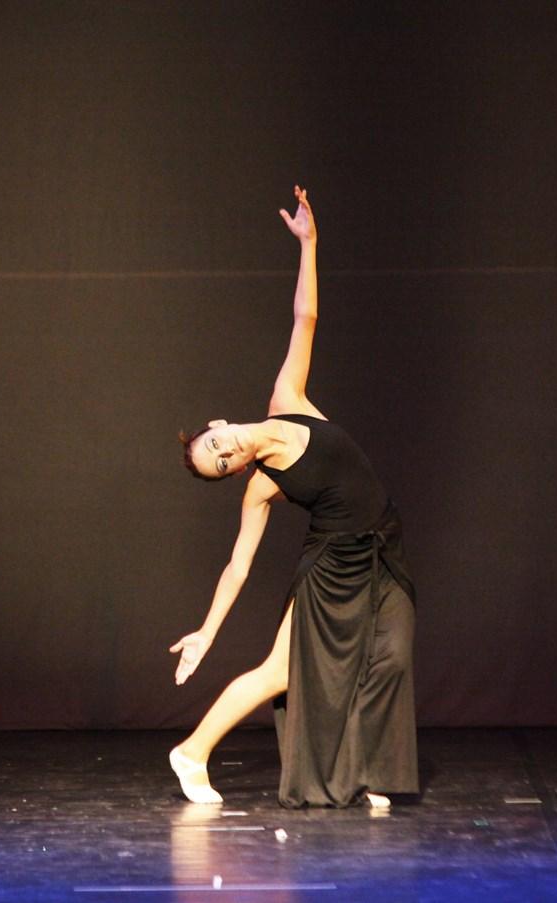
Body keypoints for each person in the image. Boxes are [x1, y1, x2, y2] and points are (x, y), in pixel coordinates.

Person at [169, 186, 418, 809]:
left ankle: (364, 771)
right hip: (330, 571)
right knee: (279, 672)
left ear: (220, 423)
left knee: (389, 659)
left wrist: (309, 244)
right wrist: (205, 632)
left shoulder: (289, 400)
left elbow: (305, 318)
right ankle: (192, 752)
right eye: (220, 463)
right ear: (233, 473)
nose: (225, 452)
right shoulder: (263, 487)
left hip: (381, 550)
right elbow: (238, 567)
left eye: (216, 443)